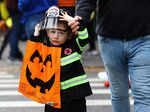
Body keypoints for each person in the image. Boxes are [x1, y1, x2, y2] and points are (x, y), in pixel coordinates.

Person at [69, 0, 150, 112]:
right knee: (119, 94)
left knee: (143, 94)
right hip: (110, 39)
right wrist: (80, 18)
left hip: (144, 38)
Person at [33, 6, 92, 112]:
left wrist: (72, 21)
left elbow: (84, 37)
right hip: (53, 97)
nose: (56, 36)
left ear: (69, 34)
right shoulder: (45, 49)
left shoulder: (74, 46)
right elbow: (33, 58)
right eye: (52, 32)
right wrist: (36, 35)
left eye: (61, 32)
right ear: (47, 32)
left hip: (76, 97)